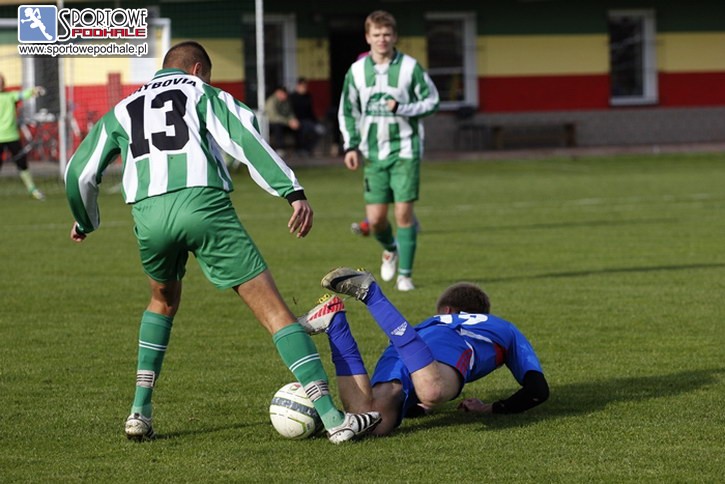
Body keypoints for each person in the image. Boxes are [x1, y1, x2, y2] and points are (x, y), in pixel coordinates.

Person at [64, 41, 380, 444]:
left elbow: (78, 172)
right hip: (203, 206)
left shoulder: (123, 109)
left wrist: (85, 220)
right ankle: (335, 420)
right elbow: (245, 138)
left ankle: (139, 412)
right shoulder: (201, 92)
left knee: (162, 301)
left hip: (148, 215)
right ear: (197, 70)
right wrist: (292, 190)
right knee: (274, 312)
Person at [298, 267, 549, 436]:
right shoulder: (503, 328)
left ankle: (335, 324)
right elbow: (537, 390)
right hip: (446, 344)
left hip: (405, 345)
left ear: (447, 310)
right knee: (433, 390)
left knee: (368, 422)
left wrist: (418, 407)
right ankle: (371, 293)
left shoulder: (428, 323)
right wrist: (488, 409)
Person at [338, 10, 439, 292]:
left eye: (387, 34)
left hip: (405, 150)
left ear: (394, 37)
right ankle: (390, 249)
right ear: (367, 37)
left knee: (404, 214)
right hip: (372, 154)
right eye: (376, 34)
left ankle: (405, 276)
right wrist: (351, 145)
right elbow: (347, 110)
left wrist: (403, 108)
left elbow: (432, 101)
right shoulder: (356, 71)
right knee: (376, 220)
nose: (382, 39)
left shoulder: (410, 67)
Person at [0, 74, 46, 200]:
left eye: (1, 81)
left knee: (22, 163)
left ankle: (32, 189)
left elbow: (23, 95)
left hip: (12, 136)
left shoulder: (10, 96)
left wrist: (34, 91)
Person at [289, 77, 324, 156]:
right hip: (296, 121)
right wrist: (292, 120)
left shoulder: (308, 96)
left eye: (305, 86)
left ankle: (307, 149)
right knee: (303, 130)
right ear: (298, 86)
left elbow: (310, 111)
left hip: (308, 121)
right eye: (302, 86)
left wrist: (316, 122)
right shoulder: (292, 97)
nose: (304, 88)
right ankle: (300, 149)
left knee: (319, 131)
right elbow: (290, 111)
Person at [264, 86, 299, 154]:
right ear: (278, 93)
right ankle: (280, 148)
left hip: (284, 122)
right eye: (283, 94)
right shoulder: (271, 101)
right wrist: (288, 122)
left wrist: (293, 120)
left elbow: (290, 113)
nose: (285, 96)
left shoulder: (286, 101)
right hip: (271, 123)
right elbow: (273, 117)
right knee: (278, 126)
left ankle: (300, 148)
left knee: (298, 126)